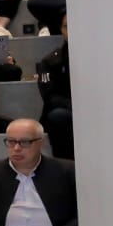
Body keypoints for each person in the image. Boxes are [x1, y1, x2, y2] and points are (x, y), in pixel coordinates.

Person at [37, 15, 72, 159]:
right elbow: (50, 97)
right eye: (67, 26)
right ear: (61, 30)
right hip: (66, 109)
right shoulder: (50, 61)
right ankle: (66, 164)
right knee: (57, 116)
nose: (72, 30)